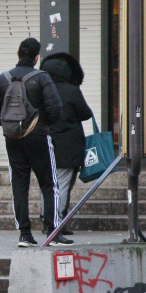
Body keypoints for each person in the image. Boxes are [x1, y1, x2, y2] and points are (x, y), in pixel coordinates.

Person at [0, 37, 71, 247]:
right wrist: (43, 125)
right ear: (36, 57)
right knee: (49, 184)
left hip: (13, 138)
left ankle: (25, 235)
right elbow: (56, 108)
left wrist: (12, 126)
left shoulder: (2, 79)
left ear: (18, 53)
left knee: (19, 184)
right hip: (39, 136)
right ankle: (53, 233)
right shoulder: (42, 78)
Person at [39, 53, 94, 236]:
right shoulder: (71, 90)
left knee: (47, 184)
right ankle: (55, 222)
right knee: (62, 184)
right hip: (67, 146)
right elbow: (86, 114)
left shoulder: (38, 89)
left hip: (42, 143)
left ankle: (46, 218)